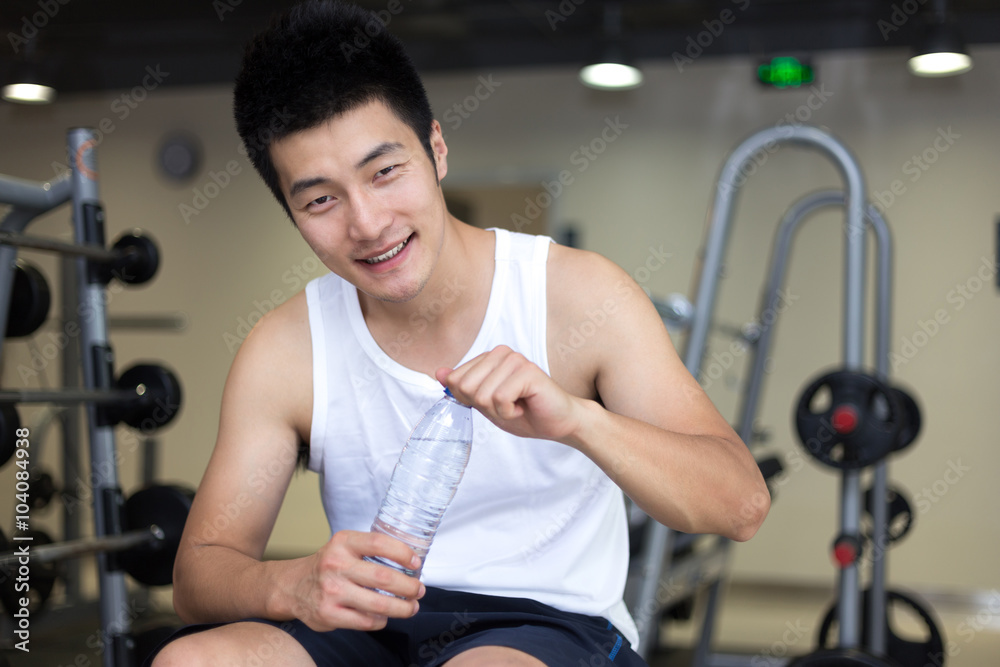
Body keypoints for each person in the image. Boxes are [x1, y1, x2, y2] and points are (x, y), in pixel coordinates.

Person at [151, 2, 769, 665]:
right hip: (371, 621)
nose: (367, 223)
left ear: (436, 150)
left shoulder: (578, 296)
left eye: (385, 172)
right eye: (321, 199)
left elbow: (740, 504)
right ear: (292, 212)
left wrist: (580, 421)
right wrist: (289, 582)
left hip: (554, 625)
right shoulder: (285, 349)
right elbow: (199, 577)